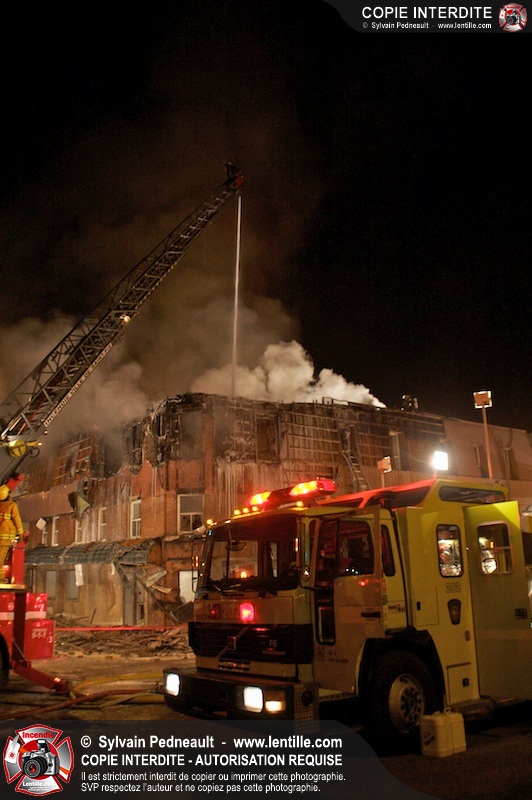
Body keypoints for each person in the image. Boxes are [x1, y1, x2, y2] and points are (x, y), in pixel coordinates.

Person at [0, 484, 24, 573]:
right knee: (1, 558)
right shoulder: (11, 505)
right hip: (6, 538)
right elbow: (17, 520)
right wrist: (21, 535)